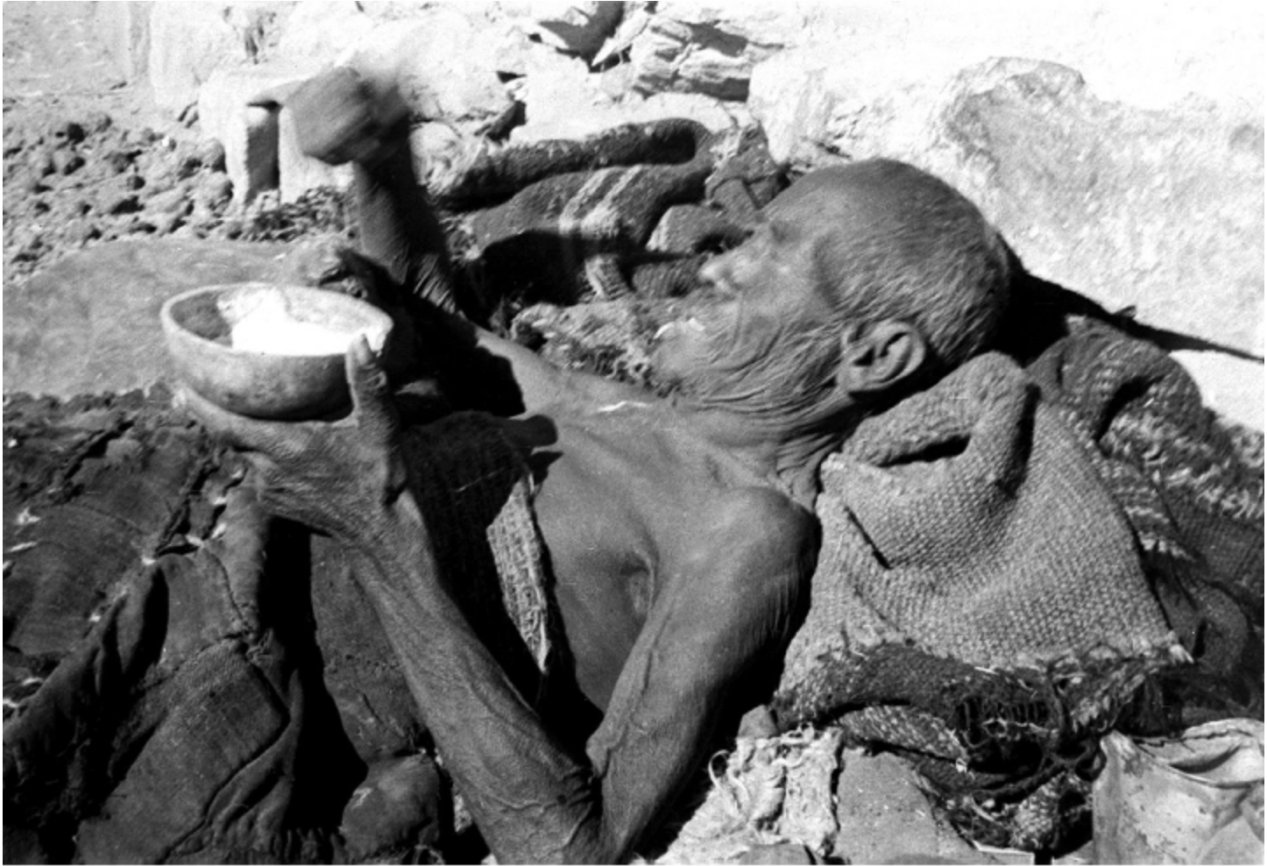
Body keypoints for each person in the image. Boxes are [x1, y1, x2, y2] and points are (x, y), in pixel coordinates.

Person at [184, 66, 1013, 864]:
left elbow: (571, 849)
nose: (714, 265)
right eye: (745, 239)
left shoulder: (747, 530)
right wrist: (381, 161)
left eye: (769, 254)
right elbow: (434, 320)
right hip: (225, 540)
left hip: (276, 666)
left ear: (872, 357)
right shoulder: (627, 411)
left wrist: (372, 524)